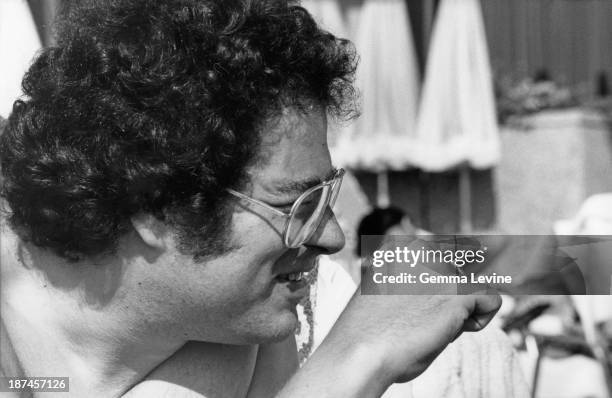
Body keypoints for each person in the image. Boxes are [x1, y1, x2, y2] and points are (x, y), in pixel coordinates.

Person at [0, 1, 501, 397]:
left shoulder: (309, 301)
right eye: (294, 205)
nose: (333, 235)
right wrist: (352, 365)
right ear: (154, 210)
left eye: (325, 195)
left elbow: (560, 261)